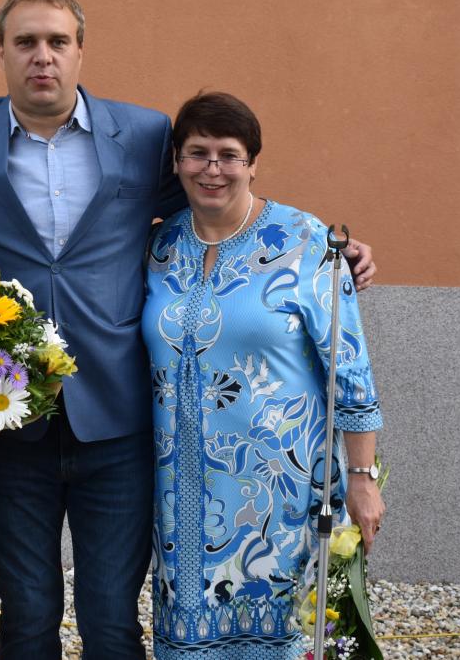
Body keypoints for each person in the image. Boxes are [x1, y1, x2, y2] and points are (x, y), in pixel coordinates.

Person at [0, 0, 376, 659]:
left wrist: (320, 250)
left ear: (80, 51)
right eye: (25, 42)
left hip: (117, 420)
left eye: (57, 42)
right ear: (1, 52)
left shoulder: (142, 135)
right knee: (27, 615)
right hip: (11, 422)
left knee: (110, 617)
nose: (41, 57)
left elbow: (218, 185)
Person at [144, 91, 385, 659]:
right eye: (197, 153)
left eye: (229, 155)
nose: (212, 169)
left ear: (252, 163)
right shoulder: (159, 244)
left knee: (286, 638)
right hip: (180, 495)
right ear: (176, 161)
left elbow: (349, 369)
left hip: (282, 491)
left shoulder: (307, 242)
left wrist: (362, 476)